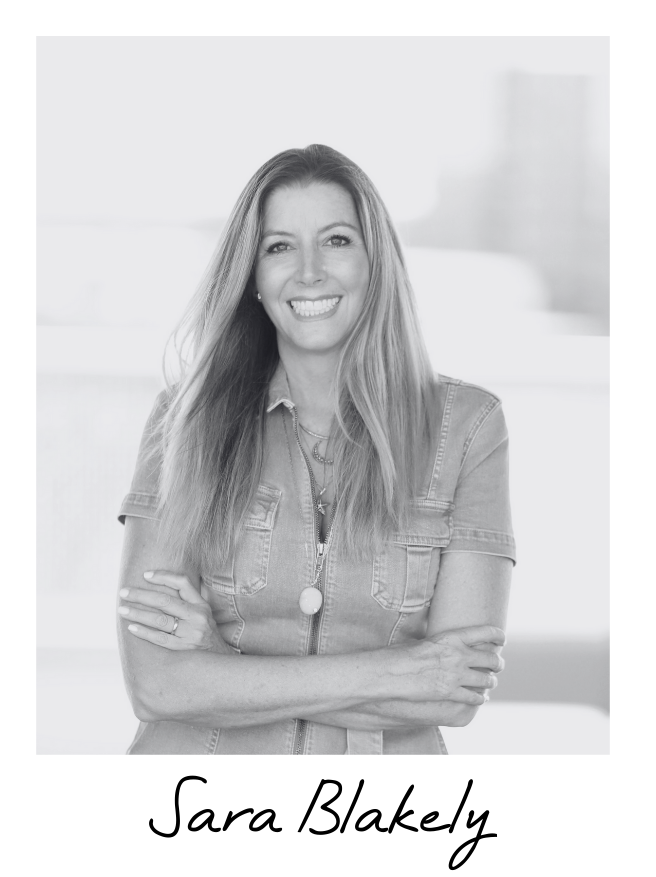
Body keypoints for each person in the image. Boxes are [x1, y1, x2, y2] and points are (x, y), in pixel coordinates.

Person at [116, 144, 515, 755]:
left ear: (376, 263)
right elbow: (158, 685)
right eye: (279, 247)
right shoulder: (183, 421)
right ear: (252, 277)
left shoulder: (466, 427)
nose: (308, 272)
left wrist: (219, 665)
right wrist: (401, 672)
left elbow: (452, 694)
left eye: (336, 241)